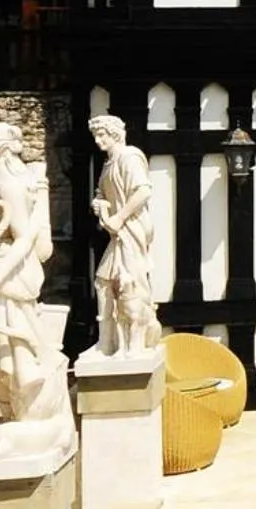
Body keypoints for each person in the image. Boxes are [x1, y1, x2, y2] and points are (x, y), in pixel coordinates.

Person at [0, 120, 72, 456]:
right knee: (6, 353)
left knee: (18, 349)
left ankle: (30, 420)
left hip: (6, 279)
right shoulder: (4, 181)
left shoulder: (9, 184)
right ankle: (19, 417)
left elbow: (23, 240)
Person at [89, 114, 159, 354]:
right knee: (103, 281)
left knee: (131, 283)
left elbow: (142, 192)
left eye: (102, 135)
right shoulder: (109, 163)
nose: (98, 141)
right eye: (96, 136)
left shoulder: (129, 157)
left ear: (115, 134)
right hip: (117, 233)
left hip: (131, 229)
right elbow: (101, 193)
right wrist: (99, 203)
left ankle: (135, 341)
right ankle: (106, 341)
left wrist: (119, 217)